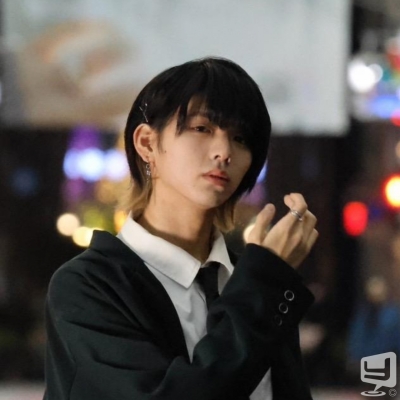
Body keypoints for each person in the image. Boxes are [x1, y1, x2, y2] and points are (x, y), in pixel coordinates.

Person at [43, 57, 318, 400]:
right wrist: (265, 281)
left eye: (241, 138)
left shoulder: (250, 280)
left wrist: (266, 281)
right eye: (202, 128)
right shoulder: (89, 286)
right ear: (147, 143)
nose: (224, 152)